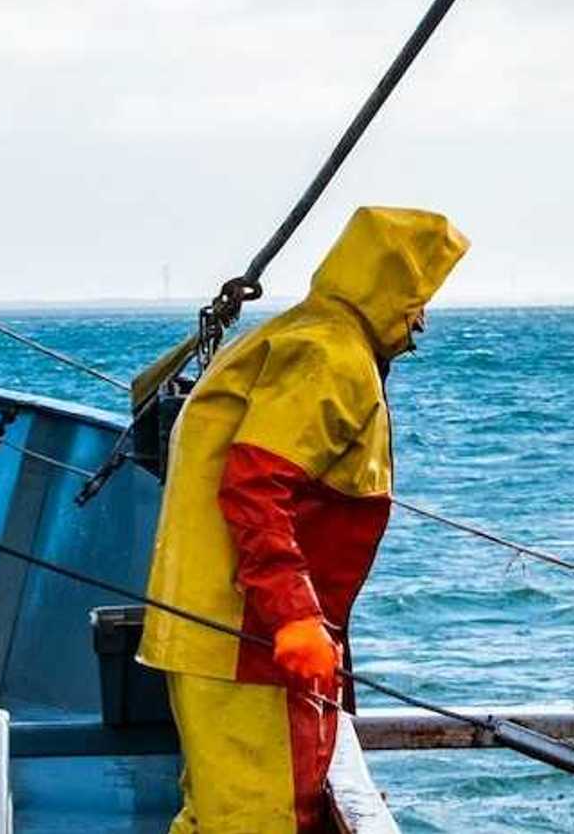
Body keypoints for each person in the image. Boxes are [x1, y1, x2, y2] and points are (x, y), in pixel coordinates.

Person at [138, 206, 469, 833]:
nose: (422, 319)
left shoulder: (300, 334)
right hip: (249, 641)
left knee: (217, 812)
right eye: (417, 299)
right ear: (388, 287)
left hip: (220, 633)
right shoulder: (331, 356)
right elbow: (255, 487)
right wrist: (293, 619)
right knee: (259, 819)